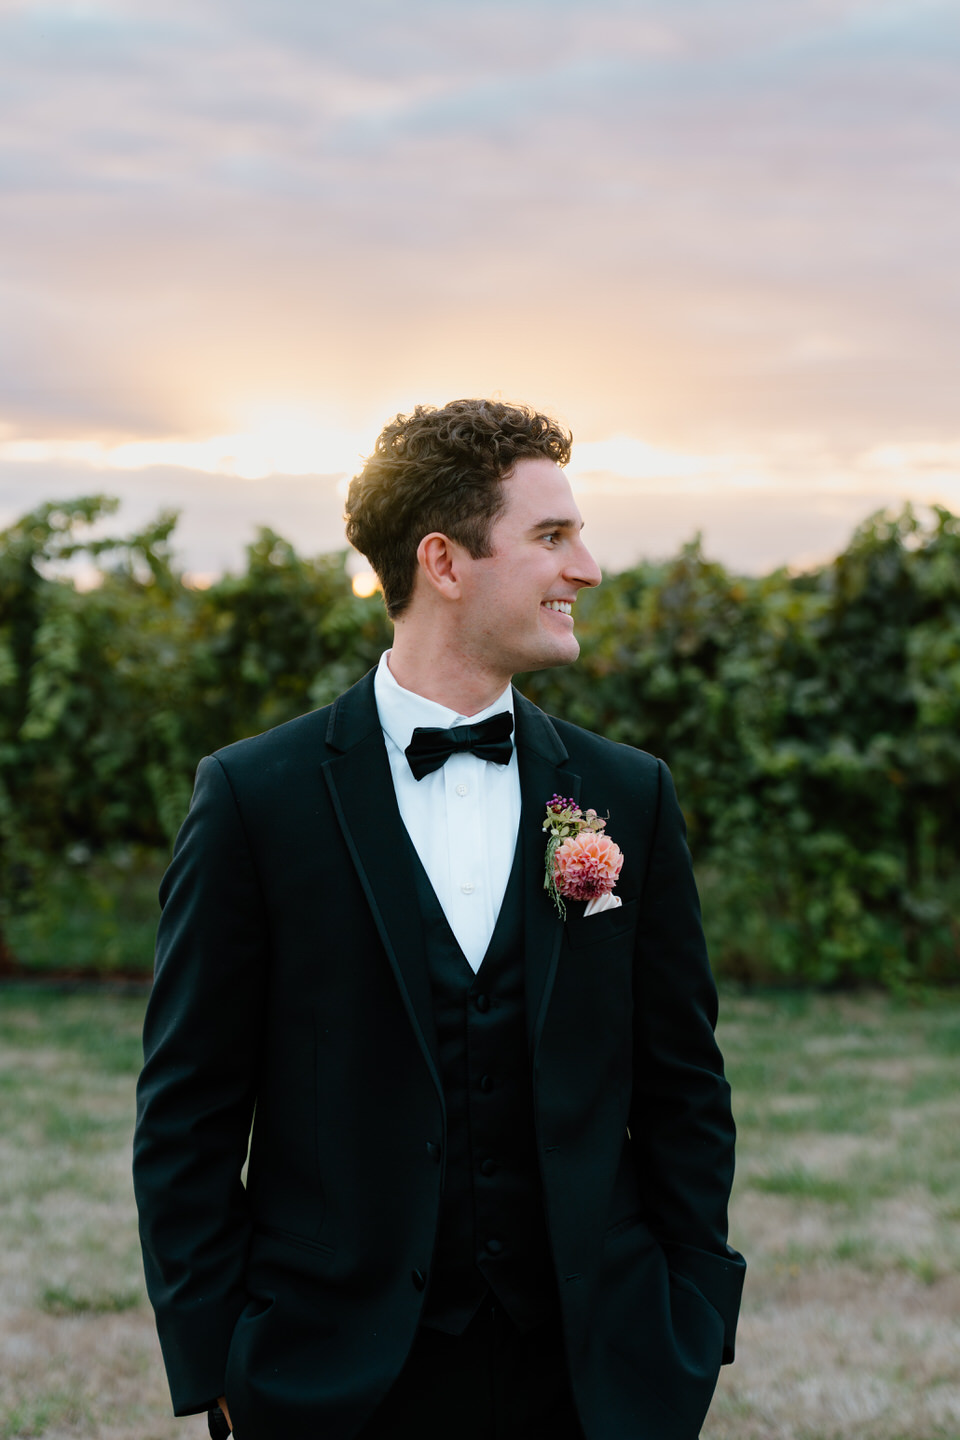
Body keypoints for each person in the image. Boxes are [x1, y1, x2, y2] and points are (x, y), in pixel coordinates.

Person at [133, 398, 745, 1440]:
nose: (587, 568)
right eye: (551, 536)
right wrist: (222, 1362)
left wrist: (691, 1316)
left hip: (593, 1376)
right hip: (336, 1378)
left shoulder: (627, 793)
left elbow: (685, 1085)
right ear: (444, 563)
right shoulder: (255, 798)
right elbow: (187, 1113)